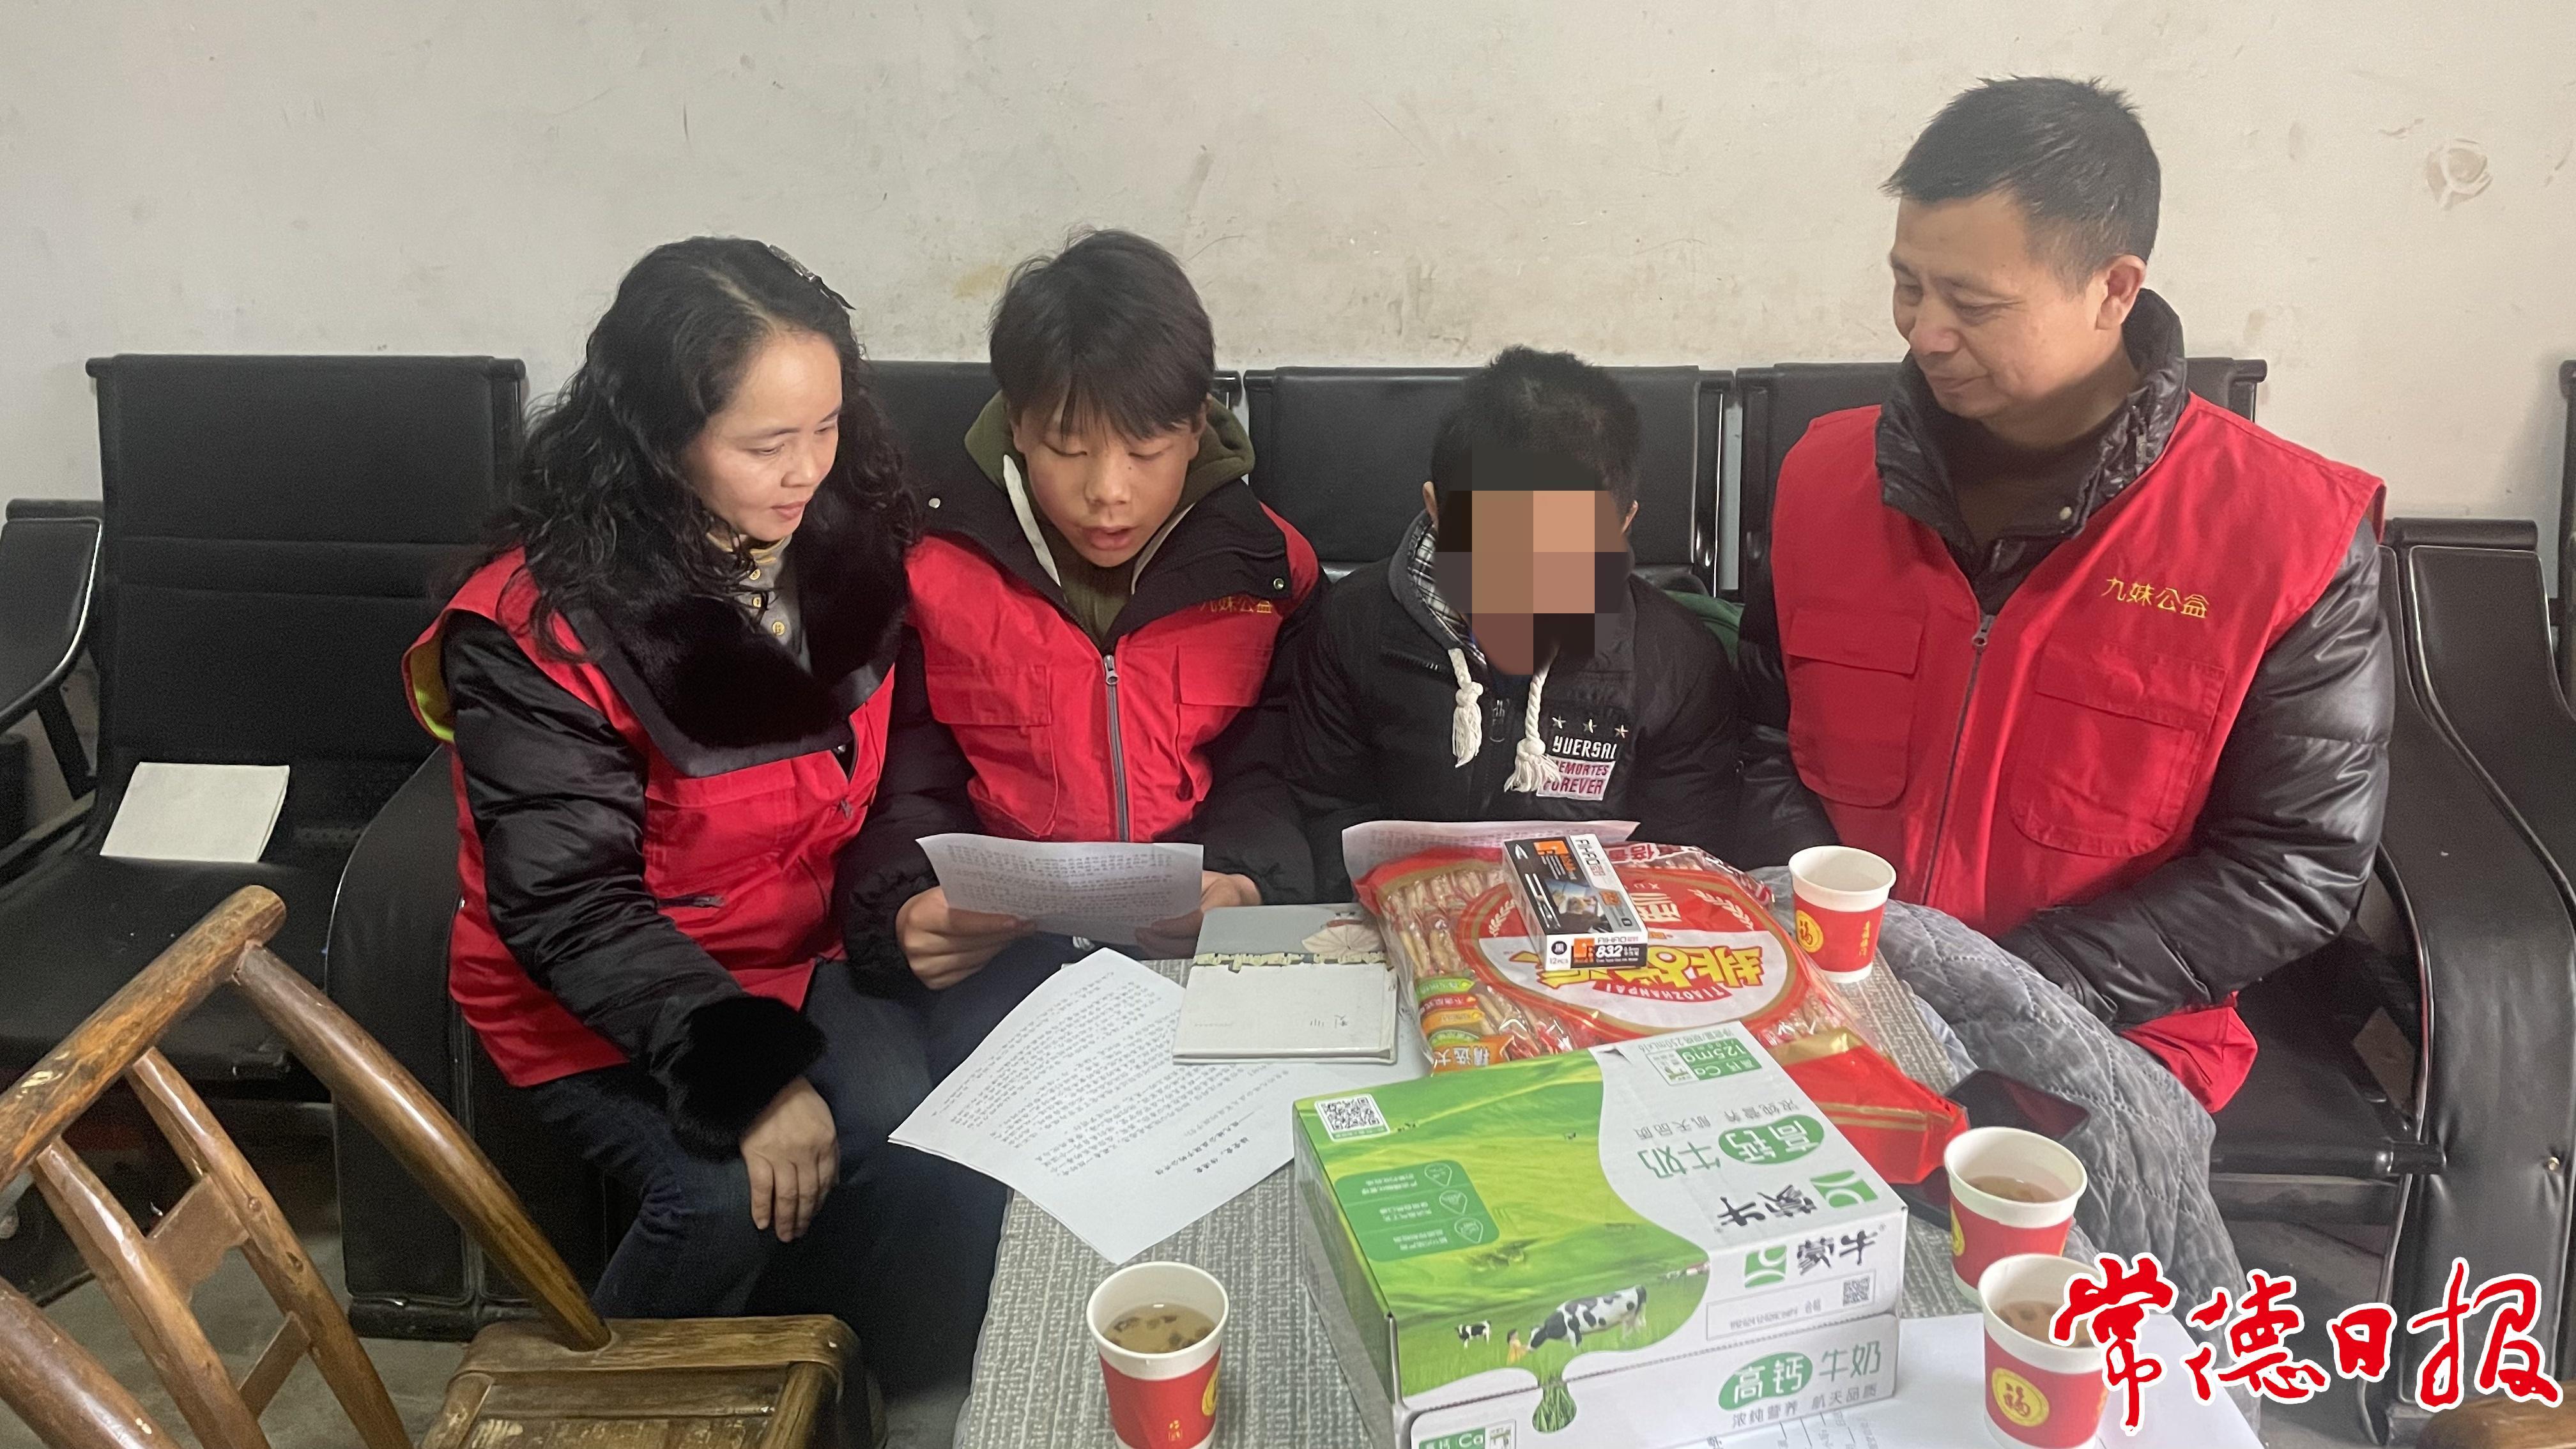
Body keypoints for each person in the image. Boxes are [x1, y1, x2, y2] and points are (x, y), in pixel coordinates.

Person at [403, 237, 996, 1388]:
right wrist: (749, 1074)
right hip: (609, 991)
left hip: (798, 944)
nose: (806, 471)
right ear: (659, 437)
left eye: (827, 426)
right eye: (765, 445)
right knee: (721, 1194)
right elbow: (570, 905)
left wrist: (902, 897)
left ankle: (812, 1381)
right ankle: (593, 1407)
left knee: (903, 1124)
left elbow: (896, 758)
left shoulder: (845, 540)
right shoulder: (536, 627)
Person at [1736, 78, 2391, 1112]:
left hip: (2110, 1038)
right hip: (1828, 996)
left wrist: (2004, 991)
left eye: (1974, 304)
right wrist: (1840, 940)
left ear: (2112, 289)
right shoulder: (1824, 479)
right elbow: (1763, 738)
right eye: (1907, 285)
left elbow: (2294, 863)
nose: (1925, 332)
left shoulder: (2289, 536)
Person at [838, 228, 1319, 983]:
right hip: (999, 950)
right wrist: (904, 903)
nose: (1107, 492)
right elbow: (902, 775)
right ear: (1017, 423)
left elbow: (1272, 767)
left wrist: (1246, 884)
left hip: (1195, 939)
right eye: (1068, 450)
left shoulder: (1269, 572)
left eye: (1145, 452)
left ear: (1197, 426)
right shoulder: (927, 565)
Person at [1284, 346, 1745, 899]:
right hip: (1397, 919)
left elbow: (1683, 862)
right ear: (1437, 510)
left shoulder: (1675, 663)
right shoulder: (1352, 624)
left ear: (1623, 524)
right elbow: (1323, 807)